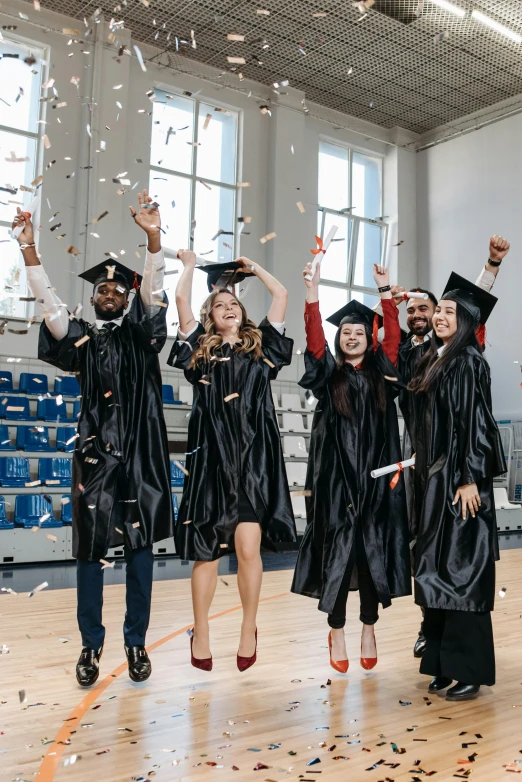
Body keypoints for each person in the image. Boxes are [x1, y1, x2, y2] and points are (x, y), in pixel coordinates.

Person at [11, 190, 173, 687]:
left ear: (127, 297)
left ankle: (136, 642)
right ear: (94, 298)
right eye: (101, 289)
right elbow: (50, 307)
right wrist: (29, 250)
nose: (108, 292)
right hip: (95, 457)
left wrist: (152, 238)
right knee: (90, 553)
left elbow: (154, 291)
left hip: (142, 457)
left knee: (141, 552)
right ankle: (90, 644)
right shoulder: (82, 339)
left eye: (116, 289)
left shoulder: (142, 336)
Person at [168, 255, 297, 672]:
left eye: (236, 303)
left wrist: (254, 267)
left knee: (247, 547)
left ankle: (248, 626)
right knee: (206, 553)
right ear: (211, 314)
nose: (230, 307)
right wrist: (188, 264)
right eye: (221, 303)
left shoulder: (261, 348)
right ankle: (201, 631)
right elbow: (180, 297)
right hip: (211, 461)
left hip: (253, 462)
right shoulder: (199, 352)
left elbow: (281, 293)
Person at [291, 261, 410, 673]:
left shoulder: (382, 372)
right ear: (340, 340)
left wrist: (385, 293)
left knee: (368, 553)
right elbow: (313, 338)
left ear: (369, 338)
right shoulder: (328, 375)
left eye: (360, 331)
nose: (353, 335)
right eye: (347, 332)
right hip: (336, 482)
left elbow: (393, 337)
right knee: (338, 554)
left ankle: (369, 626)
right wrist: (313, 291)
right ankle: (337, 629)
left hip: (377, 480)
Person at [396, 235, 510, 658]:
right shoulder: (431, 359)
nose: (438, 316)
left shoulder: (467, 358)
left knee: (462, 569)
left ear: (464, 321)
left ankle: (467, 666)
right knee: (434, 567)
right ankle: (441, 658)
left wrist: (468, 479)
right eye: (435, 310)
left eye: (445, 310)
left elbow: (475, 424)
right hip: (432, 480)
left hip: (459, 481)